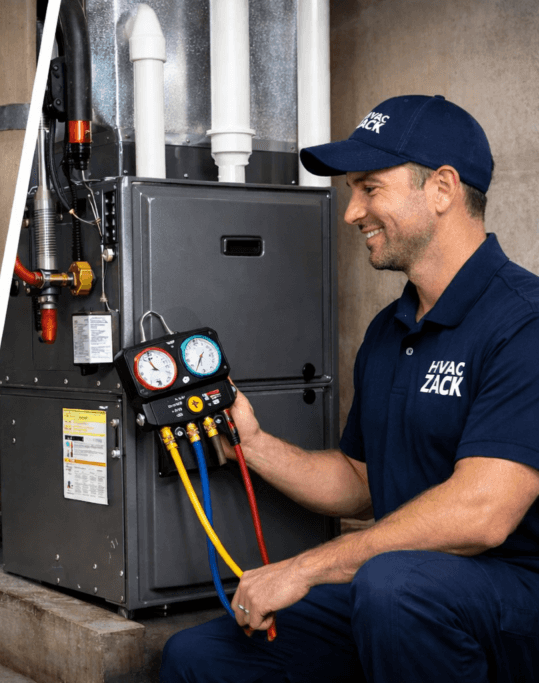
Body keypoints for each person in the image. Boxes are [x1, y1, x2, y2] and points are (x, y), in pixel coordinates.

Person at [160, 95, 539, 683]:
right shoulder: (390, 331)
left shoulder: (524, 323)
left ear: (441, 189)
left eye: (370, 188)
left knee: (393, 587)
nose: (350, 212)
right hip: (407, 597)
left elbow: (483, 512)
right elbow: (363, 482)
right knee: (199, 657)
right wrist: (254, 446)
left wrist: (305, 568)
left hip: (513, 598)